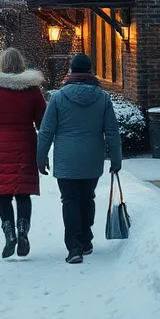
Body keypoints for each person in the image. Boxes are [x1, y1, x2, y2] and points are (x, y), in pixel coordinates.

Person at [36, 52, 122, 264]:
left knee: (70, 201)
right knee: (87, 198)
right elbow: (111, 131)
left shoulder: (57, 98)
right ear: (91, 72)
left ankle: (73, 247)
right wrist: (116, 159)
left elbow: (46, 131)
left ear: (71, 71)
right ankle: (86, 240)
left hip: (66, 159)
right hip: (92, 158)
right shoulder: (103, 98)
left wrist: (41, 157)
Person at [0, 48, 46, 259]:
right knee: (23, 193)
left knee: (4, 194)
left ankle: (9, 232)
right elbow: (43, 122)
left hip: (1, 144)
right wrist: (42, 150)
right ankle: (23, 230)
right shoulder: (33, 90)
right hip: (26, 143)